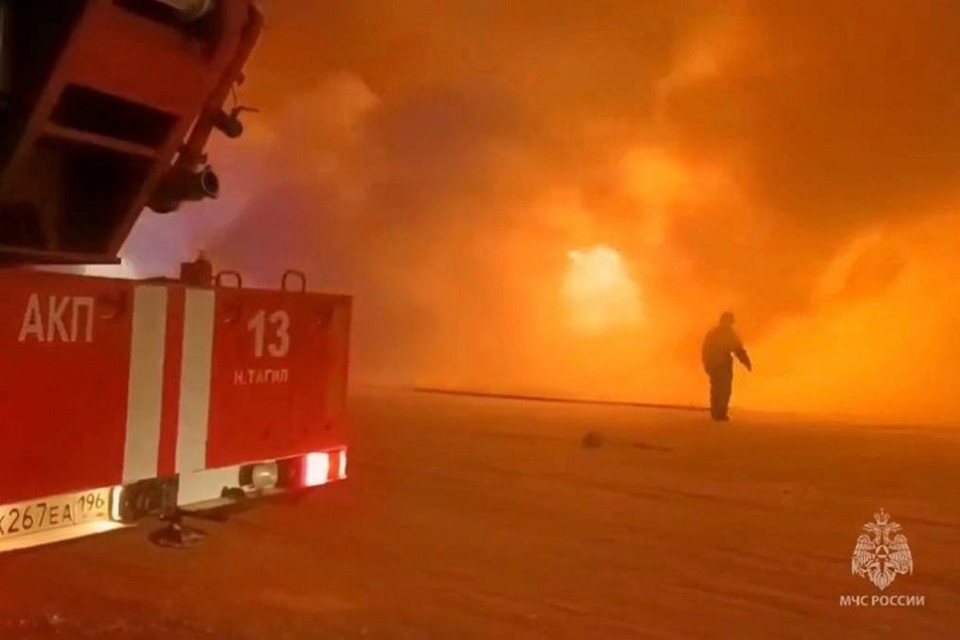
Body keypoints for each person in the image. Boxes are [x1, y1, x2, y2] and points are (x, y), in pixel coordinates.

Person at [701, 312, 752, 421]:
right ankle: (720, 413)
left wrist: (708, 365)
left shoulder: (712, 333)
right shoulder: (727, 334)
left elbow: (705, 351)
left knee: (716, 389)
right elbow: (738, 349)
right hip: (722, 365)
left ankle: (716, 412)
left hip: (713, 365)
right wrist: (746, 362)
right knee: (724, 389)